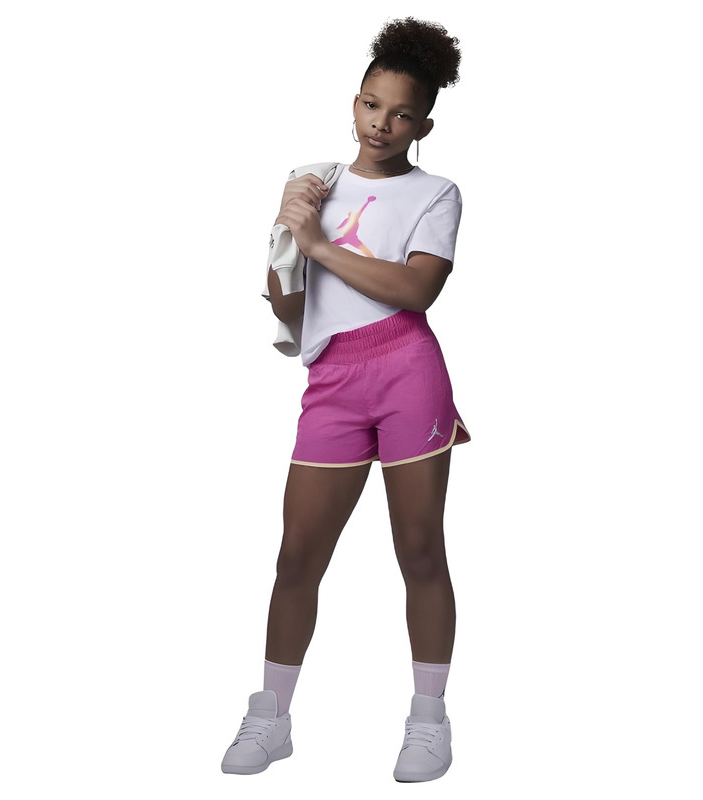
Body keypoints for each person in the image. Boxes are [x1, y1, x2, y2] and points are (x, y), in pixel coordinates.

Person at [221, 18, 470, 783]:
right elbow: (288, 304)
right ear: (354, 101)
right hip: (331, 380)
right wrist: (288, 233)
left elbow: (416, 289)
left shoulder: (437, 194)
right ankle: (271, 717)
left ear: (423, 125)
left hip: (407, 371)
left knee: (419, 549)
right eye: (370, 105)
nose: (381, 124)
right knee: (297, 554)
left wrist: (322, 245)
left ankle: (429, 721)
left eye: (400, 114)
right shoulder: (315, 183)